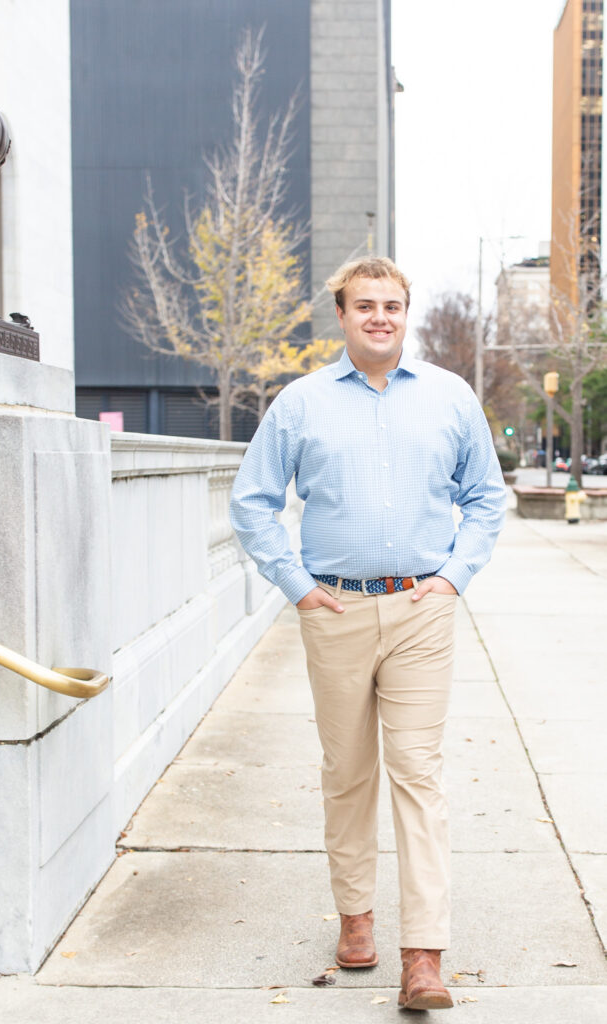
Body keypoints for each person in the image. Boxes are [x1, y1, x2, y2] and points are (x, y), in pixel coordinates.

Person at [229, 255, 506, 1010]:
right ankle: (355, 920)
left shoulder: (449, 399)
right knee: (347, 772)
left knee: (417, 774)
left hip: (422, 607)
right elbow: (252, 501)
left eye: (391, 305)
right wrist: (297, 588)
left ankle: (424, 955)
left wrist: (452, 578)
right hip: (336, 613)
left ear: (404, 313)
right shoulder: (300, 404)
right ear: (342, 315)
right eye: (364, 306)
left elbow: (485, 497)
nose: (379, 316)